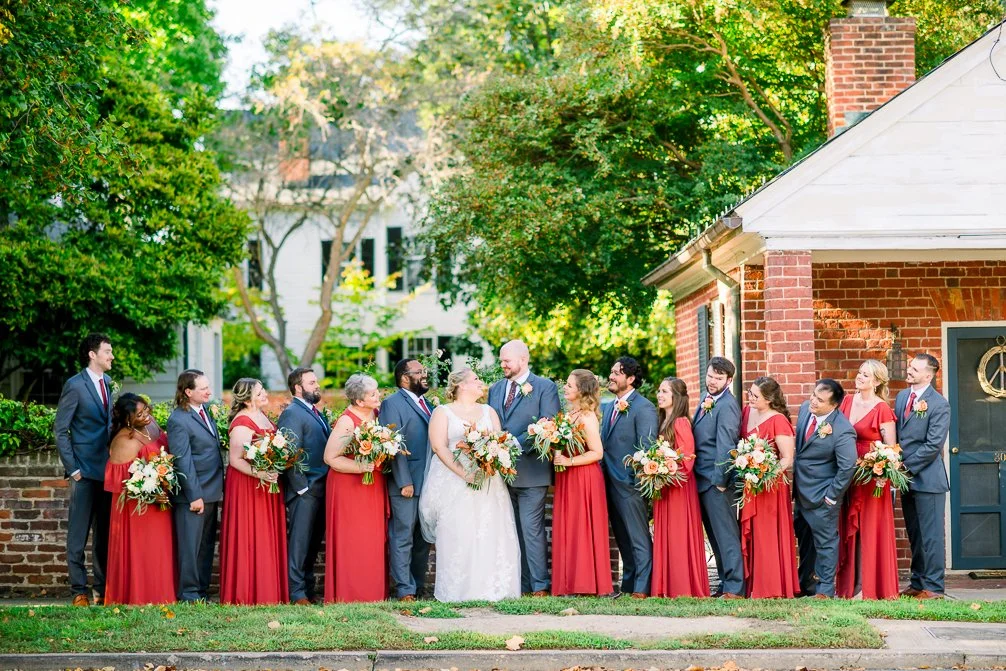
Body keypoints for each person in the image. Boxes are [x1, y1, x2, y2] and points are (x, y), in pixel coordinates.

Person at [419, 367, 521, 602]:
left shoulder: (488, 411)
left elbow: (498, 440)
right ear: (461, 385)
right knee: (458, 531)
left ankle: (496, 589)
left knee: (491, 530)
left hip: (487, 481)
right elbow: (439, 447)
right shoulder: (443, 412)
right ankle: (458, 591)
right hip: (454, 480)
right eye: (476, 380)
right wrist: (463, 473)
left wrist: (493, 459)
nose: (480, 383)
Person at [488, 340, 561, 596]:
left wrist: (511, 445)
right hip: (500, 475)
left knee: (531, 530)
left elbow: (547, 426)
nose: (502, 364)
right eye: (501, 360)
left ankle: (539, 586)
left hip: (532, 473)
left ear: (523, 359)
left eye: (506, 360)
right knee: (511, 531)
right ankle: (522, 584)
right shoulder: (496, 389)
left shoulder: (545, 387)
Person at [54, 333, 115, 606]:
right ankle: (79, 591)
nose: (111, 356)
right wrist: (73, 468)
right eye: (107, 351)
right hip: (83, 472)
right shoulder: (75, 385)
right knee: (78, 536)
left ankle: (101, 590)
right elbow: (60, 430)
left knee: (104, 535)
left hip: (106, 472)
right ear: (93, 354)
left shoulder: (109, 383)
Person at [219, 378, 289, 605]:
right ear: (248, 398)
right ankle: (247, 593)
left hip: (266, 483)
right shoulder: (242, 423)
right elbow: (235, 460)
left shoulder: (262, 416)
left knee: (266, 534)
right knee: (250, 534)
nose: (265, 394)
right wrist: (260, 474)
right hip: (248, 486)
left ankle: (268, 591)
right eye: (260, 392)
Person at [104, 393, 176, 605]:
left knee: (160, 552)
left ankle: (162, 594)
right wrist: (151, 493)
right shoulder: (124, 441)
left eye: (147, 410)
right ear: (127, 418)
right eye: (140, 413)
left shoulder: (151, 424)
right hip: (138, 511)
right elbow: (123, 485)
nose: (146, 415)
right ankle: (141, 595)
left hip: (160, 503)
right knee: (145, 552)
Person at [836, 360, 899, 599]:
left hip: (872, 474)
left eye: (866, 375)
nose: (860, 377)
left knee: (870, 529)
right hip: (846, 471)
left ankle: (871, 586)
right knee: (847, 527)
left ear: (877, 381)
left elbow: (891, 449)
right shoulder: (846, 402)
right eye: (860, 373)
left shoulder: (882, 408)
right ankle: (849, 586)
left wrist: (880, 470)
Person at [323, 374, 389, 602]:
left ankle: (373, 593)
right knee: (353, 540)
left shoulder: (377, 414)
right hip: (349, 486)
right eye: (373, 394)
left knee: (372, 539)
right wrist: (361, 466)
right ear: (359, 401)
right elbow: (330, 457)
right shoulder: (348, 422)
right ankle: (350, 594)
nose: (378, 395)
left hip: (372, 484)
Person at [550, 369, 613, 597]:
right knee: (570, 527)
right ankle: (569, 582)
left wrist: (569, 461)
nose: (565, 388)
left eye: (569, 385)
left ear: (581, 391)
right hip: (568, 477)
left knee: (583, 528)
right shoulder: (569, 416)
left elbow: (597, 452)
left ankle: (586, 583)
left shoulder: (586, 417)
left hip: (584, 477)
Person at [793, 379, 858, 599]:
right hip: (800, 492)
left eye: (819, 400)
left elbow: (847, 466)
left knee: (826, 543)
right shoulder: (804, 410)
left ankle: (825, 589)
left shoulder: (842, 430)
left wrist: (831, 496)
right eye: (813, 395)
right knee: (805, 542)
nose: (812, 401)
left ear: (834, 405)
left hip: (822, 496)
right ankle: (805, 585)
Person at [600, 356, 658, 598]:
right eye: (612, 372)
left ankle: (643, 588)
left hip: (630, 485)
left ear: (631, 379)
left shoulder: (644, 408)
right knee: (623, 539)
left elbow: (646, 448)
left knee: (638, 538)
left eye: (617, 373)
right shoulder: (607, 406)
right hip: (609, 484)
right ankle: (629, 585)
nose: (611, 376)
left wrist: (636, 483)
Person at [896, 353, 951, 599]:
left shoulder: (939, 404)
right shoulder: (901, 397)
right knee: (915, 534)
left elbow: (932, 445)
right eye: (910, 366)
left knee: (931, 536)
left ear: (928, 376)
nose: (909, 371)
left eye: (914, 369)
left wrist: (904, 467)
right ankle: (917, 582)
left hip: (928, 479)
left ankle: (934, 587)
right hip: (906, 479)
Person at [167, 369, 224, 603]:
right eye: (203, 388)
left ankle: (200, 590)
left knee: (206, 545)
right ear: (188, 392)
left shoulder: (204, 411)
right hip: (194, 493)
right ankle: (189, 594)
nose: (209, 391)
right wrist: (194, 496)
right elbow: (182, 460)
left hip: (211, 489)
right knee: (190, 547)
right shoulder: (178, 419)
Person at [379, 359, 434, 602]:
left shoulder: (428, 404)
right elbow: (394, 444)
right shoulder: (391, 404)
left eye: (425, 371)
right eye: (419, 372)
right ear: (404, 377)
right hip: (407, 484)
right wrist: (404, 482)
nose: (425, 375)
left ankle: (418, 585)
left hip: (429, 482)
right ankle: (404, 590)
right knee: (402, 537)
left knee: (423, 538)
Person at [739, 376, 799, 599]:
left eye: (756, 396)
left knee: (767, 536)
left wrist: (765, 477)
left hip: (770, 487)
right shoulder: (747, 413)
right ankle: (753, 584)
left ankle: (771, 586)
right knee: (753, 534)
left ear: (770, 399)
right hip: (750, 483)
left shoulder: (779, 421)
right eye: (750, 393)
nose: (751, 398)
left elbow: (787, 459)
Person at [651, 377, 710, 598]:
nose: (659, 394)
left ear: (676, 397)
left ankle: (682, 587)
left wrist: (666, 473)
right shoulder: (663, 421)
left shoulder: (681, 422)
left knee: (678, 536)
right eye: (659, 390)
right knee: (665, 535)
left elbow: (687, 460)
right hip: (664, 486)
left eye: (664, 391)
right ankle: (666, 586)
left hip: (678, 487)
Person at [692, 357, 745, 599]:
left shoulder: (727, 405)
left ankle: (735, 586)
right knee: (714, 535)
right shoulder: (706, 400)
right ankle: (725, 583)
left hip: (717, 482)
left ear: (729, 380)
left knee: (725, 534)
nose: (712, 381)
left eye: (719, 378)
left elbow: (726, 445)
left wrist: (721, 481)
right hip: (702, 479)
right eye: (711, 376)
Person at [278, 367, 330, 606]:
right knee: (299, 544)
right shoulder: (292, 413)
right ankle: (297, 593)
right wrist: (302, 489)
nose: (317, 385)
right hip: (305, 491)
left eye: (316, 381)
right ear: (298, 387)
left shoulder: (315, 412)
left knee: (312, 545)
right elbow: (288, 454)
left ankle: (308, 590)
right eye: (311, 382)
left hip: (321, 489)